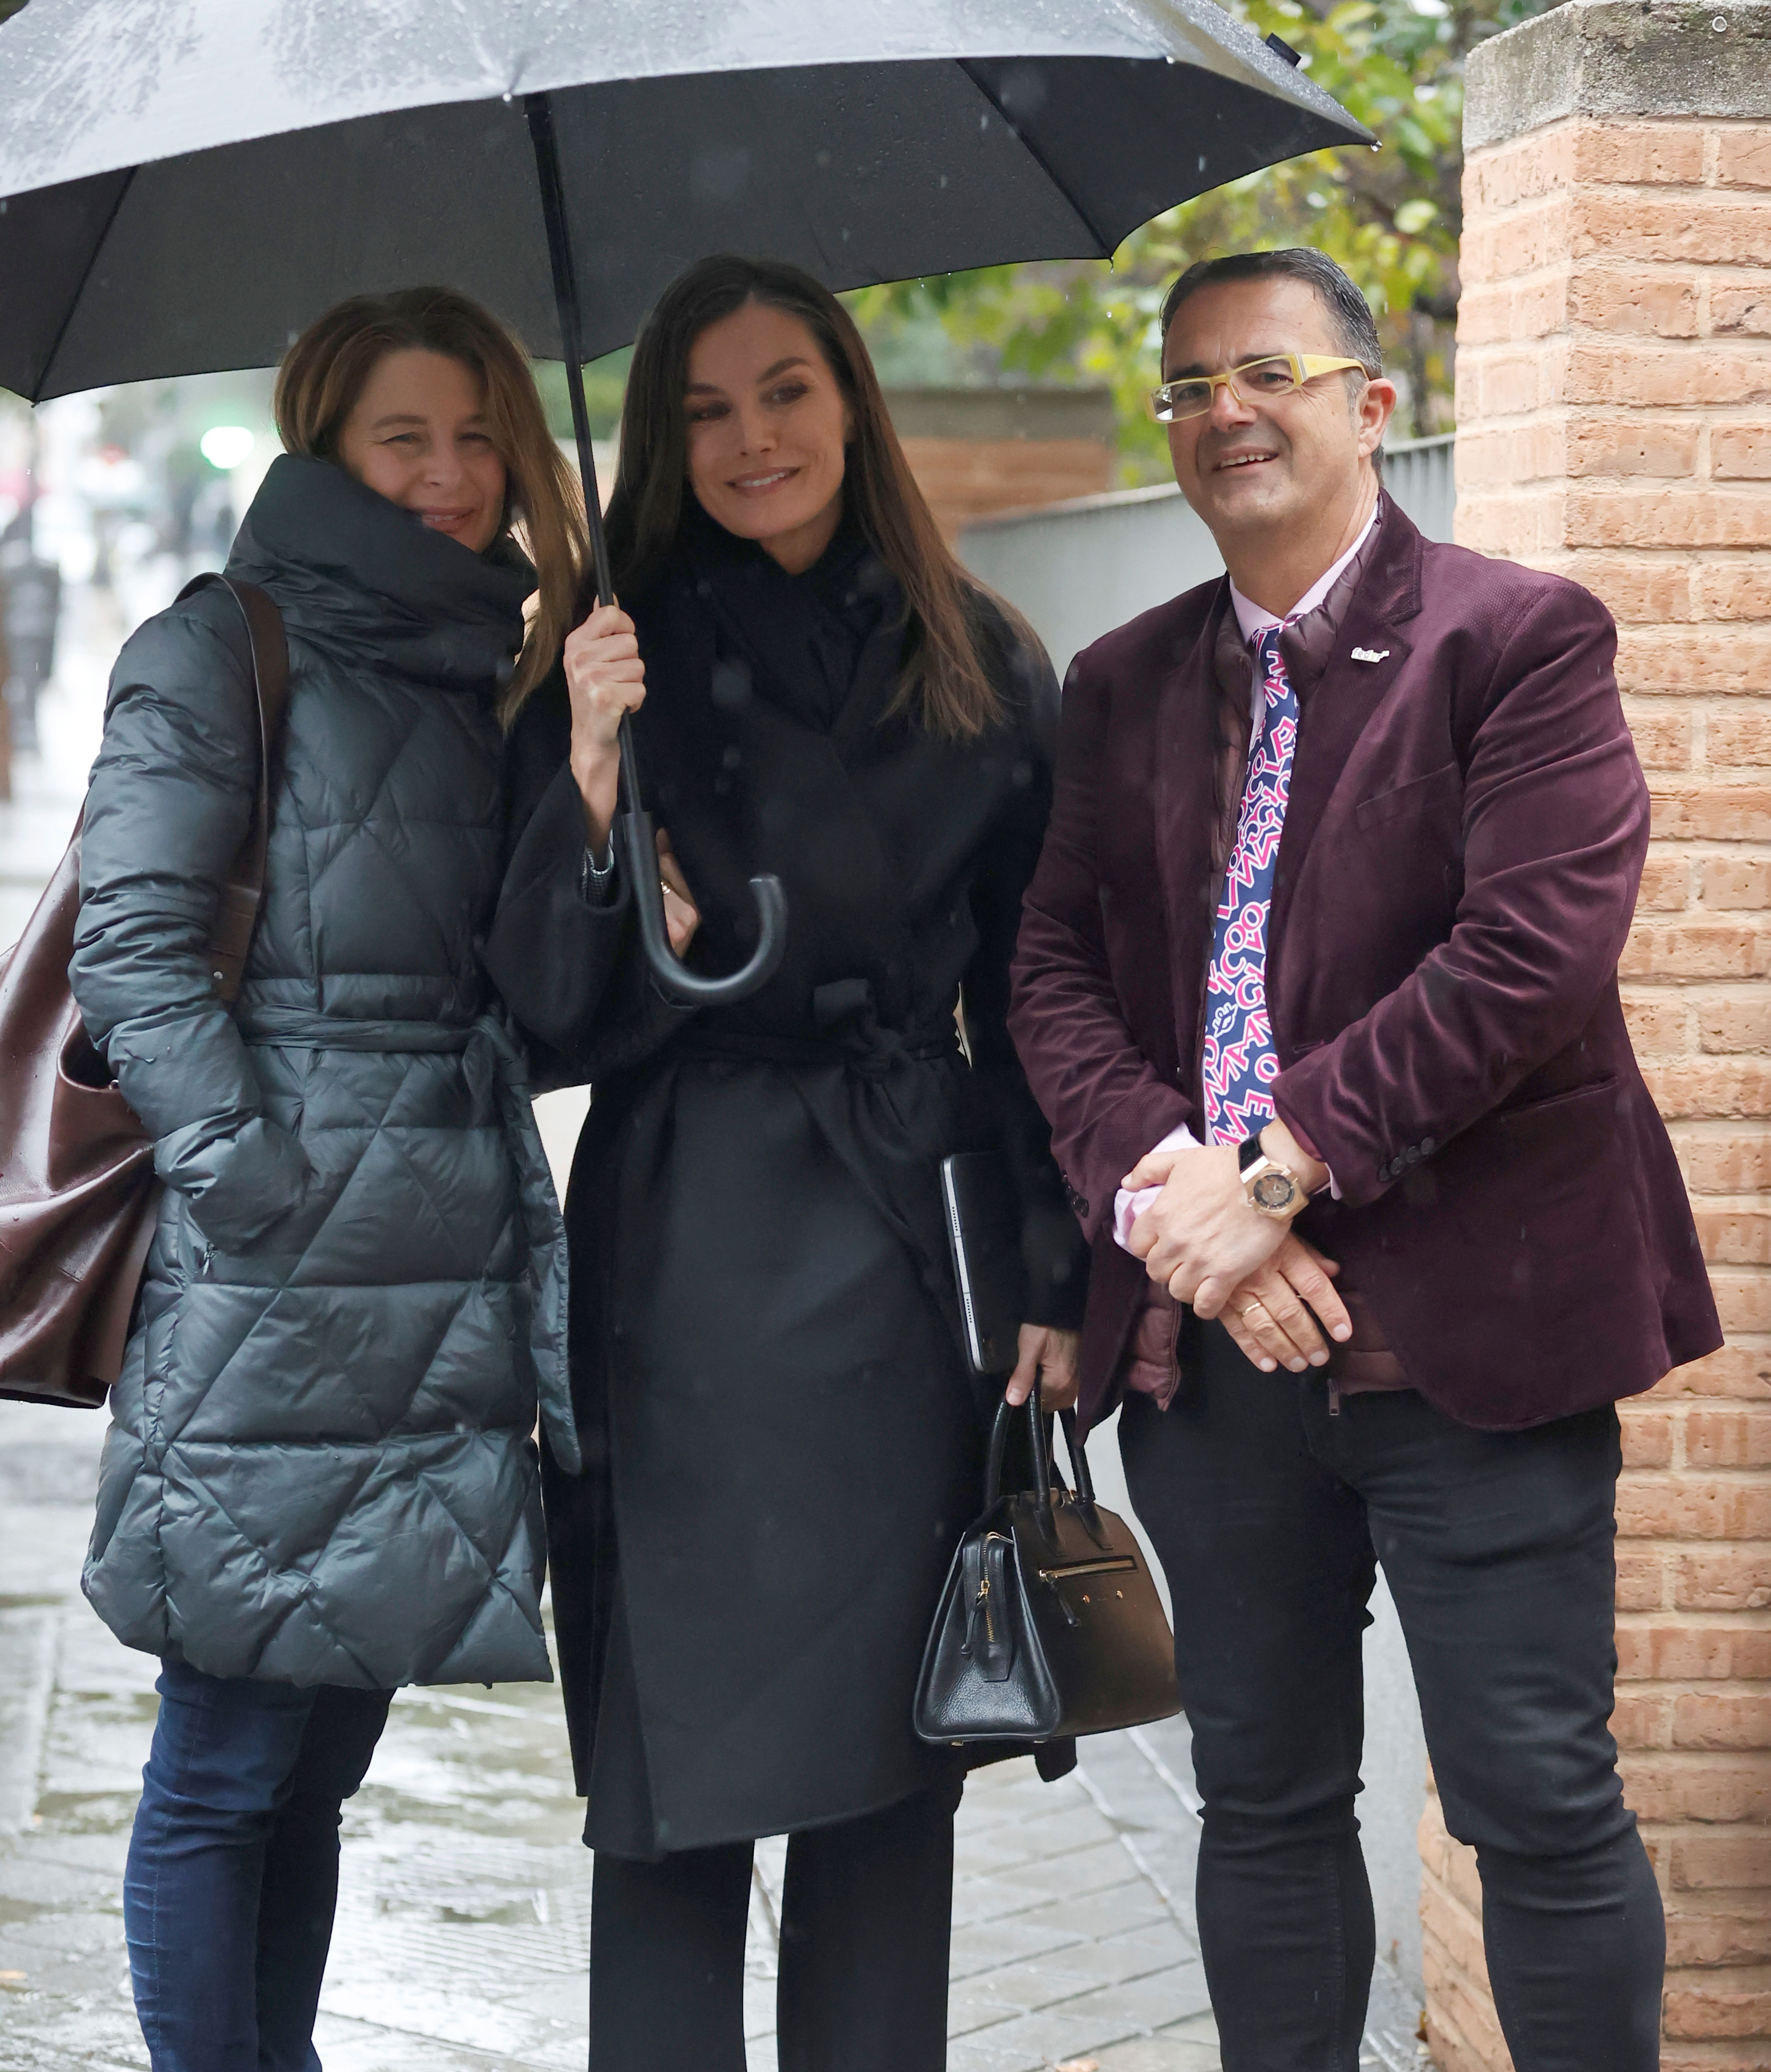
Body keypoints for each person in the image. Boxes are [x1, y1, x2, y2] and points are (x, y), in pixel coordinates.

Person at [1007, 248, 1722, 2072]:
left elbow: (1532, 958)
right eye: (1186, 388)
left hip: (1472, 1334)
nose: (1223, 412)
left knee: (1539, 1801)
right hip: (1216, 1359)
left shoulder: (1517, 638)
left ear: (1373, 405)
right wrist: (1181, 1199)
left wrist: (1271, 1174)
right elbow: (1055, 970)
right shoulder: (1124, 680)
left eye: (1267, 373)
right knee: (1259, 1796)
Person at [486, 253, 1088, 2072]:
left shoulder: (985, 653)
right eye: (704, 409)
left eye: (787, 392)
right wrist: (588, 772)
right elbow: (537, 1021)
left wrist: (1059, 1272)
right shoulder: (617, 654)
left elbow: (1034, 987)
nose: (753, 439)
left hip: (916, 1249)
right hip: (687, 1253)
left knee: (891, 1784)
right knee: (675, 1789)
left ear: (852, 399)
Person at [70, 286, 596, 2072]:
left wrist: (598, 760)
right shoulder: (225, 642)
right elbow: (132, 946)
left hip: (442, 1269)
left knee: (321, 1760)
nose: (449, 476)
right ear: (324, 443)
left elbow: (541, 981)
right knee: (225, 1753)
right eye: (403, 436)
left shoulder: (495, 668)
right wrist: (251, 1182)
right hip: (279, 1277)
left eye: (476, 438)